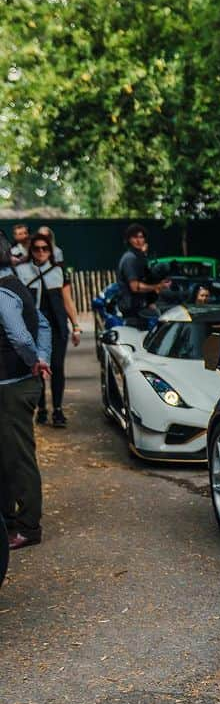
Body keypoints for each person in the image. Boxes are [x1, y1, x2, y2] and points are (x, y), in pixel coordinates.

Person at [0, 260, 51, 549]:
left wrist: (34, 360)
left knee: (17, 458)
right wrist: (41, 356)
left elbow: (20, 337)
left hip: (11, 387)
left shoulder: (3, 292)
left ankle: (28, 527)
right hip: (15, 385)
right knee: (7, 458)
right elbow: (43, 324)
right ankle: (8, 520)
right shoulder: (16, 284)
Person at [17, 233, 81, 426]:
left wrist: (76, 325)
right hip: (34, 327)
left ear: (50, 250)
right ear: (31, 250)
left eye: (45, 248)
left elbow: (67, 300)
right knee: (37, 368)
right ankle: (42, 408)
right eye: (37, 248)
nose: (41, 252)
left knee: (58, 367)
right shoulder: (21, 270)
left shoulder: (58, 271)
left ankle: (58, 410)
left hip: (57, 326)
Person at [117, 224, 170, 322]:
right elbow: (135, 287)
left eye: (141, 237)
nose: (138, 240)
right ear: (129, 239)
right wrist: (157, 286)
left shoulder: (137, 257)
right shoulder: (130, 259)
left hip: (139, 308)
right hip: (133, 311)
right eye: (135, 237)